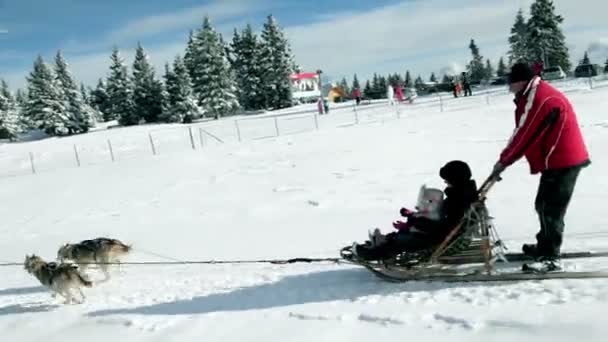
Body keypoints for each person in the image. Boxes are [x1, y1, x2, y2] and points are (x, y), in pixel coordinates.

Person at [491, 62, 591, 272]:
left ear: (521, 81)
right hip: (556, 159)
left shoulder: (540, 98)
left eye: (511, 81)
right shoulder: (532, 94)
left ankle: (550, 257)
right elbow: (524, 131)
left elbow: (525, 134)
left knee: (551, 209)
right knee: (543, 205)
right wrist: (504, 161)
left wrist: (504, 161)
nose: (509, 86)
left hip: (564, 160)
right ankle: (544, 246)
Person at [352, 161, 478, 261]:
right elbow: (442, 219)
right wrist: (416, 218)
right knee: (406, 233)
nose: (445, 182)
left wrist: (420, 225)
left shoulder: (458, 201)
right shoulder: (462, 196)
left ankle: (373, 253)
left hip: (443, 241)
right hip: (444, 236)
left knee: (401, 241)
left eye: (447, 179)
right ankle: (383, 242)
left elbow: (445, 228)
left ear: (455, 180)